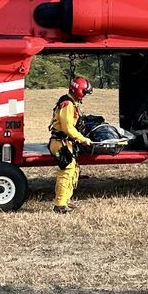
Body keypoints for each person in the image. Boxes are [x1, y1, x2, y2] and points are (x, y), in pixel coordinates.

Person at [48, 76, 93, 214]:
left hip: (65, 142)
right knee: (66, 171)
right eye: (84, 92)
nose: (85, 95)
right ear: (79, 91)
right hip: (59, 142)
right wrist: (82, 139)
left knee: (73, 170)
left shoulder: (71, 103)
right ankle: (59, 205)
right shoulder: (67, 104)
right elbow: (67, 127)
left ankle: (65, 200)